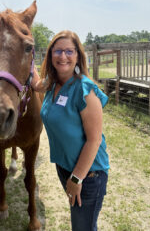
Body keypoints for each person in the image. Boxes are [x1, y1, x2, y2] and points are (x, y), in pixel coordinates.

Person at [32, 30, 109, 231]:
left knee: (82, 227)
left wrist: (76, 178)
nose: (63, 56)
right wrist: (27, 59)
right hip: (65, 167)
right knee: (80, 219)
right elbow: (35, 84)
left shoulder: (85, 89)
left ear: (77, 55)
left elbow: (94, 140)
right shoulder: (51, 83)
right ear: (50, 56)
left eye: (69, 51)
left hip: (88, 174)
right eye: (58, 51)